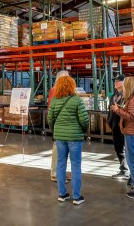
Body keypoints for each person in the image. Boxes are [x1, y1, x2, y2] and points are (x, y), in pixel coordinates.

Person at [47, 74, 89, 205]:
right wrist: (83, 130)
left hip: (60, 137)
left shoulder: (54, 100)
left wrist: (56, 130)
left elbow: (50, 119)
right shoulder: (76, 100)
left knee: (61, 164)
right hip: (74, 137)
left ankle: (62, 194)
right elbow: (84, 119)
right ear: (72, 85)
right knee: (76, 165)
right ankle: (76, 197)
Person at [49, 71, 71, 182]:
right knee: (58, 150)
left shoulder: (67, 92)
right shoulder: (55, 91)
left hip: (66, 125)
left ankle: (61, 172)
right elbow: (52, 110)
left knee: (64, 150)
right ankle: (55, 173)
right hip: (58, 125)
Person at [108, 74, 129, 181]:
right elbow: (110, 110)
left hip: (124, 127)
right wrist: (110, 122)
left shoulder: (127, 95)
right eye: (115, 81)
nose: (115, 82)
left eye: (118, 81)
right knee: (118, 148)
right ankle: (123, 169)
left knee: (127, 149)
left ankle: (128, 172)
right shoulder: (114, 96)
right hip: (115, 126)